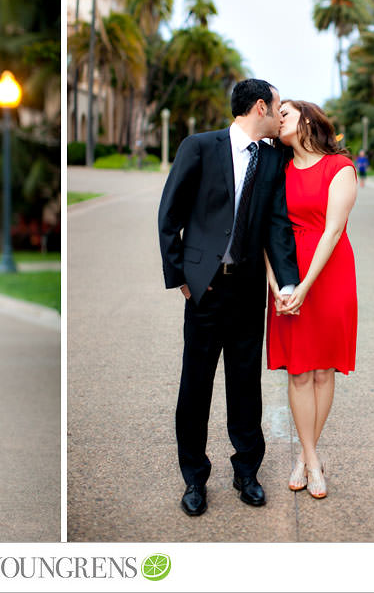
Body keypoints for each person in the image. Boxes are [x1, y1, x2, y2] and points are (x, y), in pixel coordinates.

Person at [158, 79, 301, 516]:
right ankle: (194, 479)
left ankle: (246, 472)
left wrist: (289, 281)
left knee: (245, 384)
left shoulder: (273, 158)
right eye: (277, 107)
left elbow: (277, 223)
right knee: (195, 386)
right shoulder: (199, 147)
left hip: (247, 287)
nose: (280, 116)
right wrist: (180, 276)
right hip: (205, 287)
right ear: (260, 106)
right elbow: (169, 214)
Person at [265, 100, 358, 499]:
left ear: (307, 118)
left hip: (329, 272)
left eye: (283, 112)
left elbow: (333, 231)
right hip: (287, 275)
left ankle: (306, 458)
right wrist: (276, 286)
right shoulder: (276, 168)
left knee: (324, 371)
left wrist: (307, 286)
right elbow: (265, 231)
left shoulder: (340, 168)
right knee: (299, 371)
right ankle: (312, 458)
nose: (277, 118)